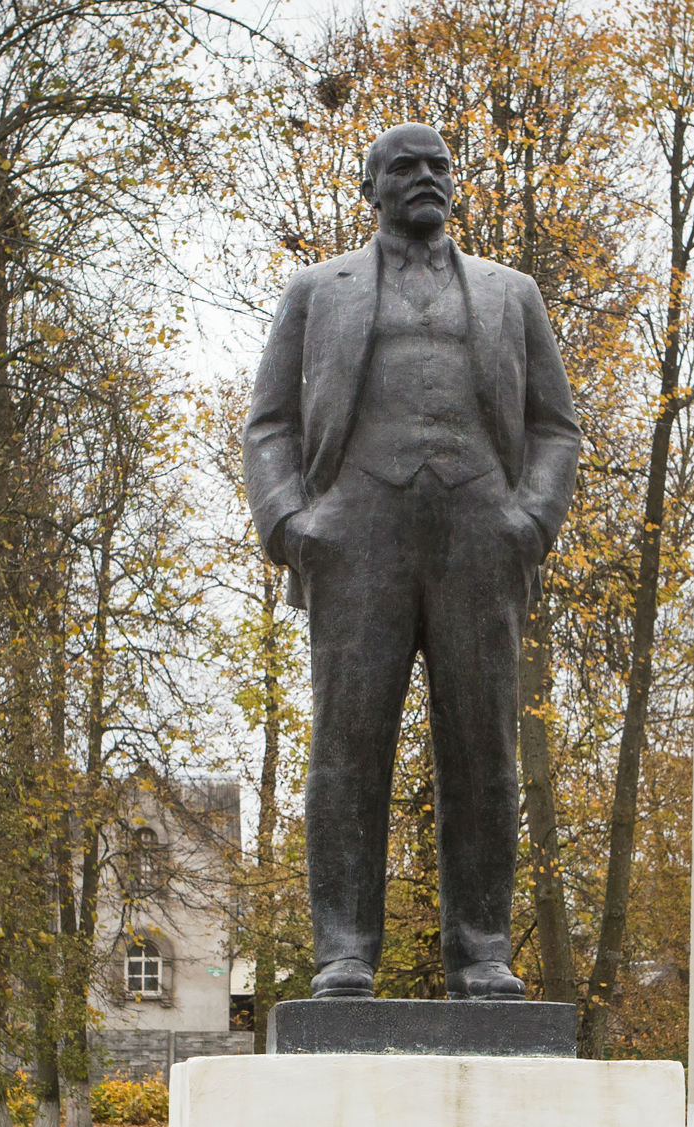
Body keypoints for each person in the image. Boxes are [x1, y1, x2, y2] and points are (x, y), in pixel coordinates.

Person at [242, 122, 582, 1001]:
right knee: (346, 747)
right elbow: (270, 423)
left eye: (439, 166)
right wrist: (290, 525)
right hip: (355, 537)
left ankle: (483, 953)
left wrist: (530, 522)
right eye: (405, 166)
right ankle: (343, 952)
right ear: (371, 187)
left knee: (484, 747)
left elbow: (554, 426)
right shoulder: (317, 291)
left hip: (481, 537)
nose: (426, 177)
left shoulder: (510, 293)